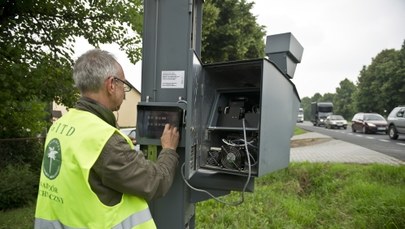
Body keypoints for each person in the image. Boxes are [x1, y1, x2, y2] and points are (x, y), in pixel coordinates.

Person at [34, 49, 180, 229]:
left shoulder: (60, 125)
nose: (125, 94)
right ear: (111, 84)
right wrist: (169, 150)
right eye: (123, 86)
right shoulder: (104, 140)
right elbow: (154, 182)